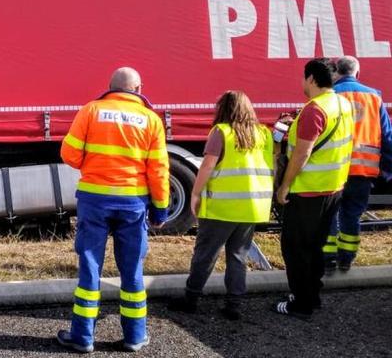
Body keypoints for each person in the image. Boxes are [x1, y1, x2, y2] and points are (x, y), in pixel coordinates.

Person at [56, 67, 169, 354]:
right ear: (139, 88)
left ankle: (82, 337)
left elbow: (68, 153)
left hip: (94, 202)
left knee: (90, 266)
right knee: (132, 270)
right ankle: (135, 336)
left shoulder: (91, 110)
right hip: (133, 205)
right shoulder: (151, 120)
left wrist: (93, 165)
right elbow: (158, 170)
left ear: (110, 87)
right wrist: (160, 209)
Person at [168, 91, 274, 320]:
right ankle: (234, 304)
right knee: (238, 256)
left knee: (205, 255)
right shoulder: (263, 133)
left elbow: (207, 167)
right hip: (251, 207)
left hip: (222, 207)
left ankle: (191, 298)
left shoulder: (222, 132)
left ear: (224, 109)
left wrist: (195, 194)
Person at [273, 58, 353, 319]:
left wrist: (285, 186)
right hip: (334, 188)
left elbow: (302, 155)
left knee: (295, 249)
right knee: (315, 246)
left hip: (308, 191)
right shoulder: (342, 103)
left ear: (310, 78)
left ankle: (301, 304)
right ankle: (312, 295)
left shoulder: (314, 109)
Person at [322, 56, 392, 273]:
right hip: (363, 169)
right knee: (352, 214)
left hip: (335, 168)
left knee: (329, 213)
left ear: (336, 72)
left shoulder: (330, 95)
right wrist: (389, 168)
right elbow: (386, 135)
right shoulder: (374, 97)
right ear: (357, 73)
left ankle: (328, 258)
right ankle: (347, 258)